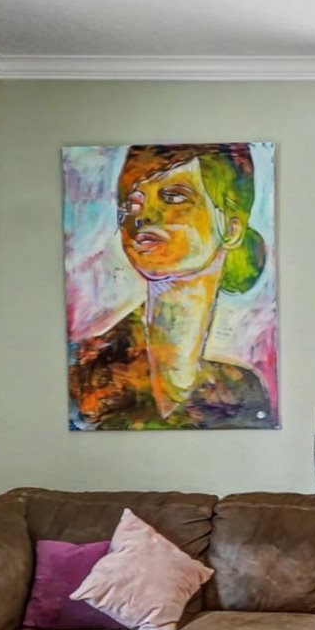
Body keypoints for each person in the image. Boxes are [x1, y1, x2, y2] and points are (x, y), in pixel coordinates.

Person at [69, 145, 271, 430]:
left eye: (175, 197)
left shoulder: (241, 391)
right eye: (132, 205)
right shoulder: (83, 372)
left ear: (230, 230)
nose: (143, 216)